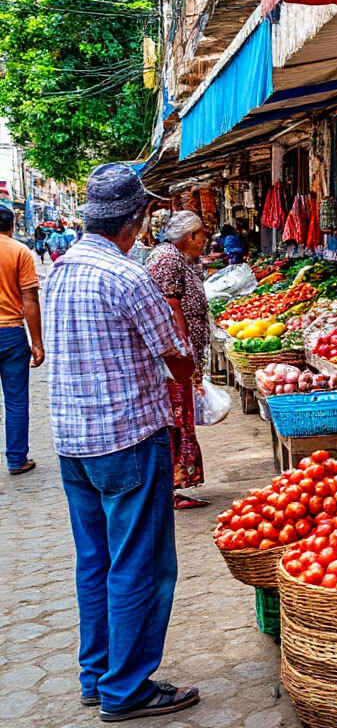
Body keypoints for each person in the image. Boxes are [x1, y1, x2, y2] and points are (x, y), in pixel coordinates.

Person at [46, 163, 199, 721]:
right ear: (135, 219)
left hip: (74, 443)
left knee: (95, 561)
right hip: (127, 439)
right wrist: (185, 371)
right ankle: (126, 689)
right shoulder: (128, 277)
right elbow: (177, 357)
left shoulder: (60, 270)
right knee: (140, 564)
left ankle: (97, 676)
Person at [145, 211, 212, 510]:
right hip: (174, 362)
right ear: (190, 236)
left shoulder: (173, 257)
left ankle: (173, 485)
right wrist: (183, 350)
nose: (205, 241)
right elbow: (171, 306)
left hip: (177, 360)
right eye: (202, 235)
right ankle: (170, 487)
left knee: (179, 418)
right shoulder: (168, 259)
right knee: (175, 419)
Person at [0, 204, 42, 474]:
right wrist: (37, 342)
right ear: (12, 227)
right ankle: (16, 459)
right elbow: (30, 300)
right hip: (11, 333)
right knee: (15, 400)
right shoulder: (19, 251)